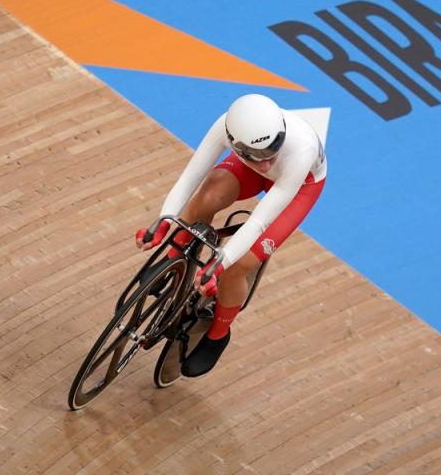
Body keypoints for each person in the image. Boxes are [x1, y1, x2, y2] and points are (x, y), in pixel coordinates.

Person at [135, 93, 327, 376]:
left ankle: (218, 335)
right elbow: (190, 178)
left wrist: (220, 264)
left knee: (238, 266)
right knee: (207, 195)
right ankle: (174, 261)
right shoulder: (224, 125)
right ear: (234, 139)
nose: (265, 162)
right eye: (257, 154)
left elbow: (260, 220)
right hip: (246, 168)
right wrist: (164, 221)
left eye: (272, 150)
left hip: (298, 186)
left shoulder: (302, 150)